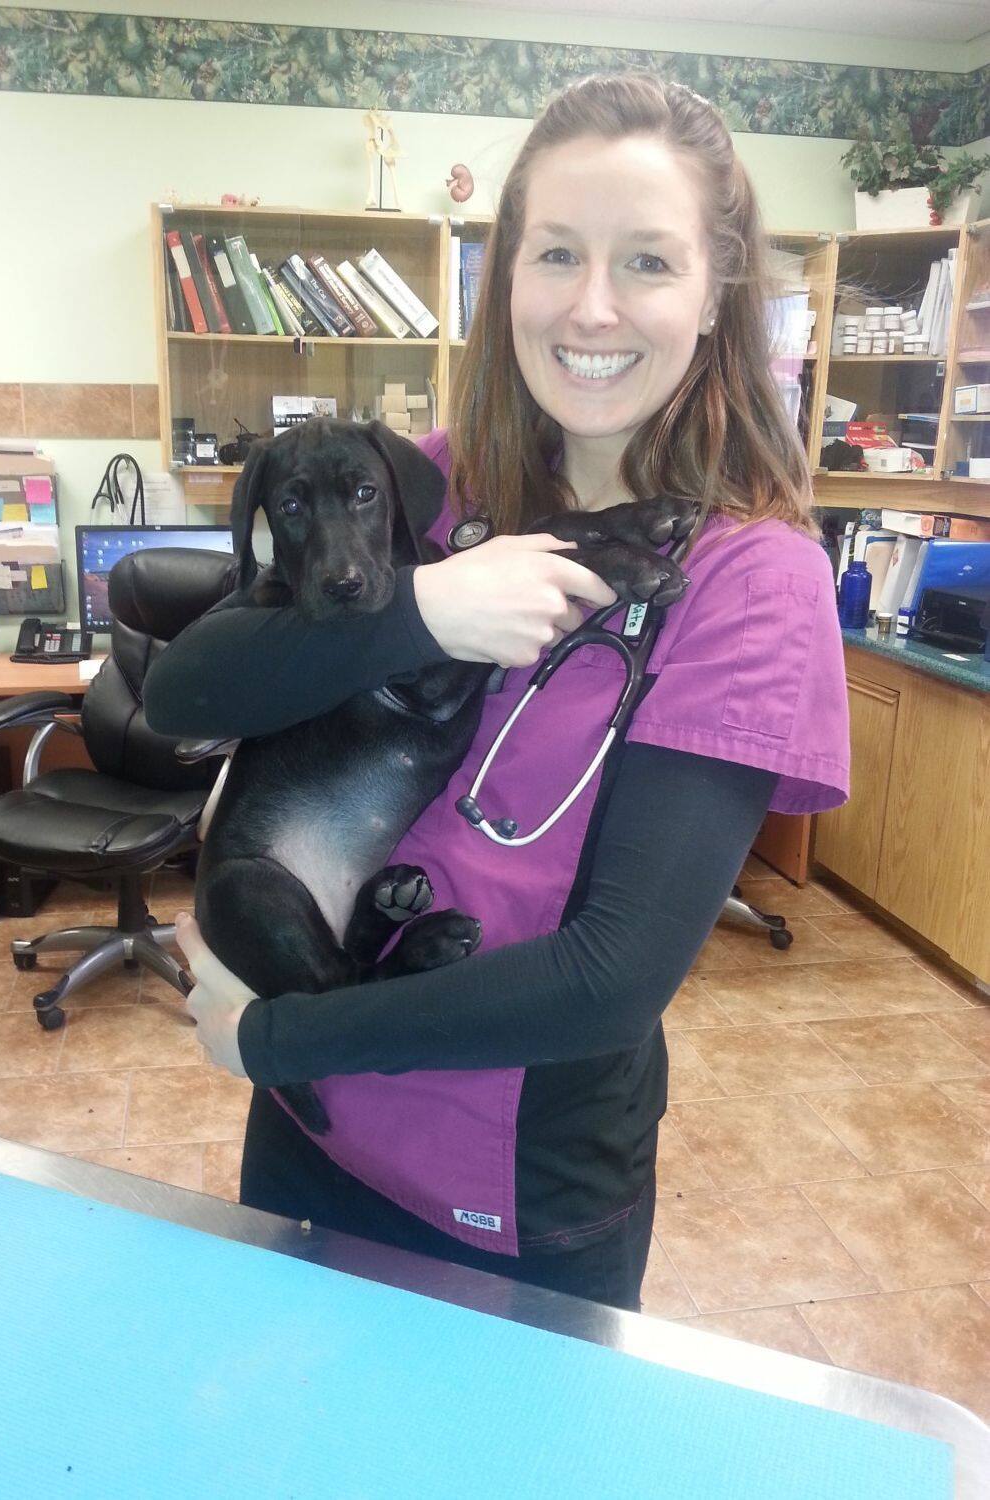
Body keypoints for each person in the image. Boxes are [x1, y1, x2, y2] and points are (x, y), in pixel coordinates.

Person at [144, 72, 850, 1313]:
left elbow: (611, 977)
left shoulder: (756, 582)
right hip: (311, 1140)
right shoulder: (426, 492)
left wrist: (277, 1040)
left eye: (647, 262)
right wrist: (425, 606)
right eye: (556, 254)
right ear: (503, 277)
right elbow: (190, 685)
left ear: (715, 290)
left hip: (510, 1200)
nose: (590, 306)